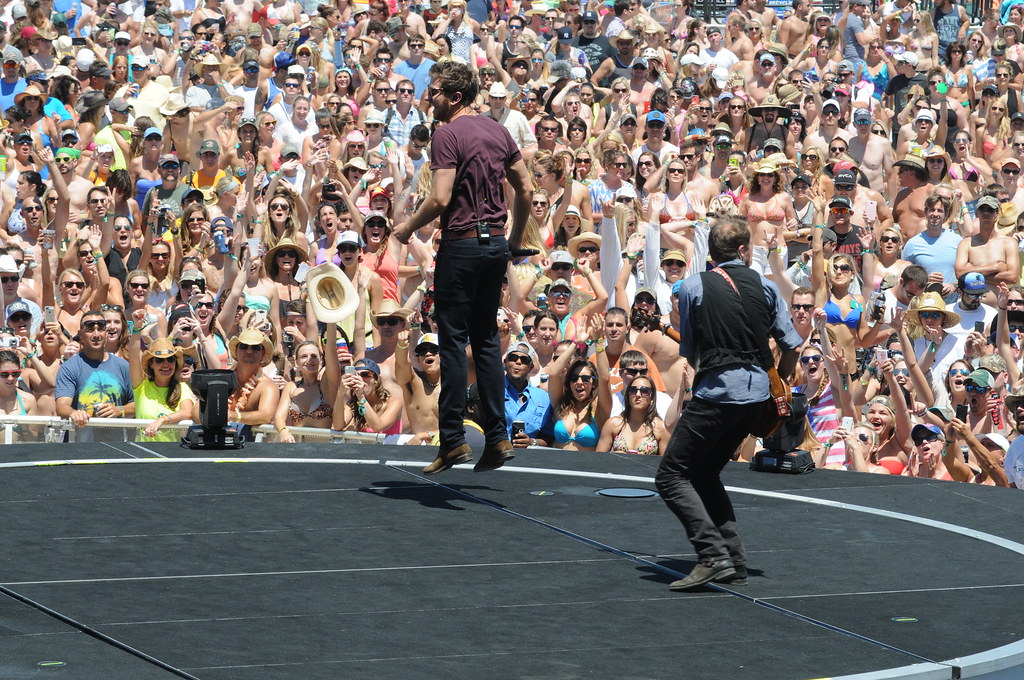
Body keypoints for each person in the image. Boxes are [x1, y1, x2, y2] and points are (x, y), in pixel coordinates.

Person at [393, 60, 532, 475]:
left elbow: (439, 198)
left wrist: (406, 228)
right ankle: (498, 436)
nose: (427, 97)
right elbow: (526, 188)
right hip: (494, 245)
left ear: (455, 97)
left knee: (452, 341)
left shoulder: (447, 134)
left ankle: (452, 440)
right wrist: (513, 240)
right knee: (486, 340)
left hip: (462, 245)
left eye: (434, 91)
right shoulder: (498, 130)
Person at [656, 217, 802, 591]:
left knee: (670, 476)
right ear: (743, 250)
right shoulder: (767, 288)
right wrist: (782, 381)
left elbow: (690, 351)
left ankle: (712, 554)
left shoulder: (692, 288)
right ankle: (734, 561)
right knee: (704, 474)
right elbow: (792, 345)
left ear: (713, 253)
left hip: (717, 394)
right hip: (755, 399)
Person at [54, 309, 135, 441]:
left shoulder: (123, 366)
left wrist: (120, 410)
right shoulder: (69, 368)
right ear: (81, 334)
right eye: (90, 329)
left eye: (101, 329)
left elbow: (137, 405)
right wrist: (74, 413)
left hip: (117, 446)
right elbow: (61, 407)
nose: (96, 334)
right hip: (80, 446)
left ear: (106, 333)